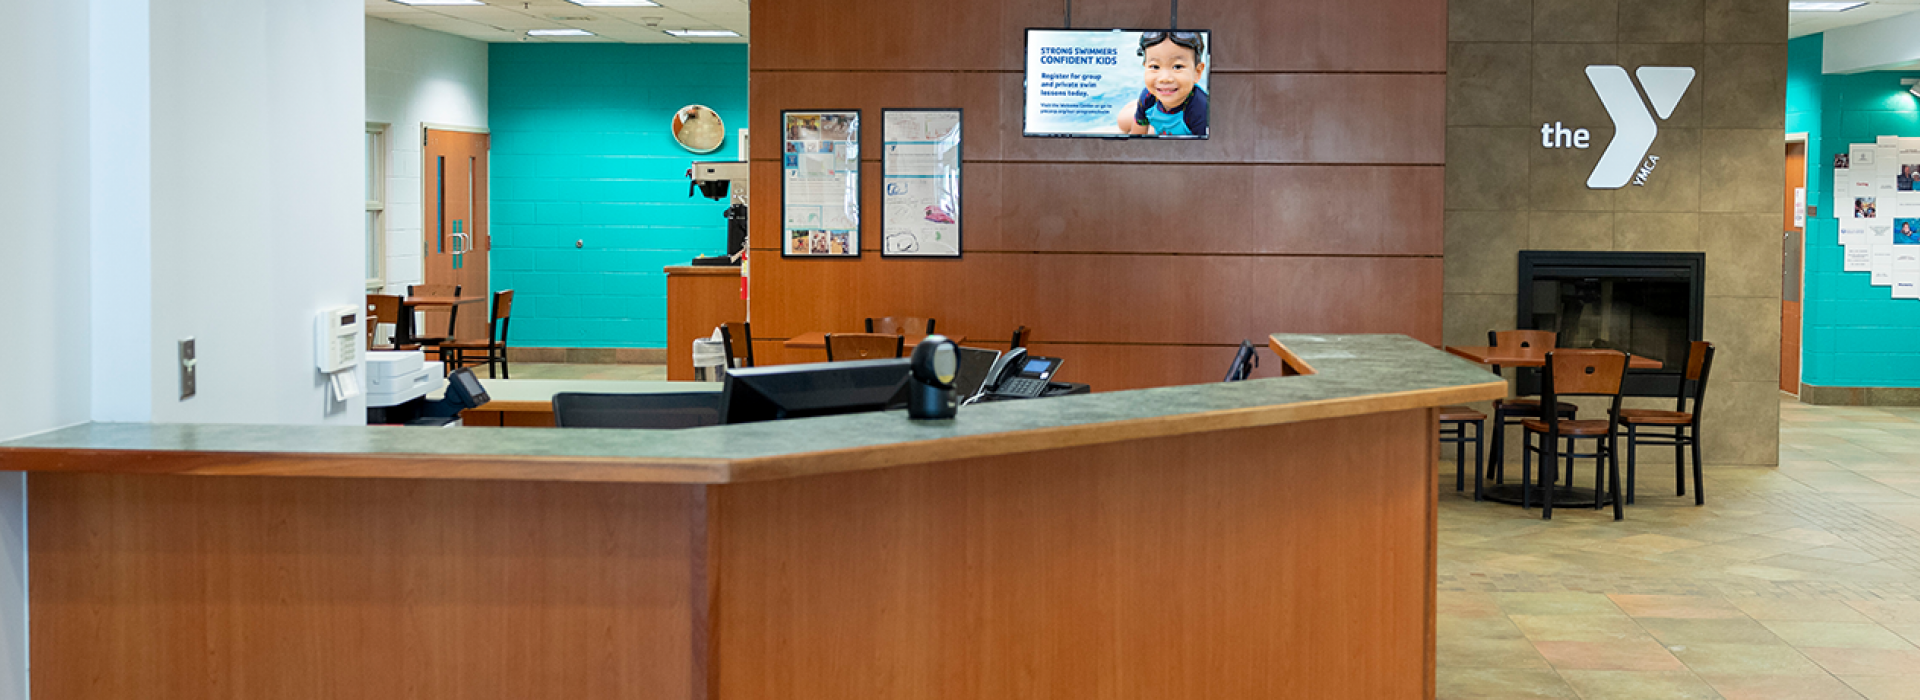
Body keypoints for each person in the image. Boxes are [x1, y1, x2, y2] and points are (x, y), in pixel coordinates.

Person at [1116, 31, 1208, 137]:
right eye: (1155, 66)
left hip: (1176, 124)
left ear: (1197, 72)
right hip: (1156, 111)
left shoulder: (1200, 110)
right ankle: (1137, 107)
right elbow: (1136, 138)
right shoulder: (1148, 96)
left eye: (1177, 67)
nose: (1164, 78)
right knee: (1122, 122)